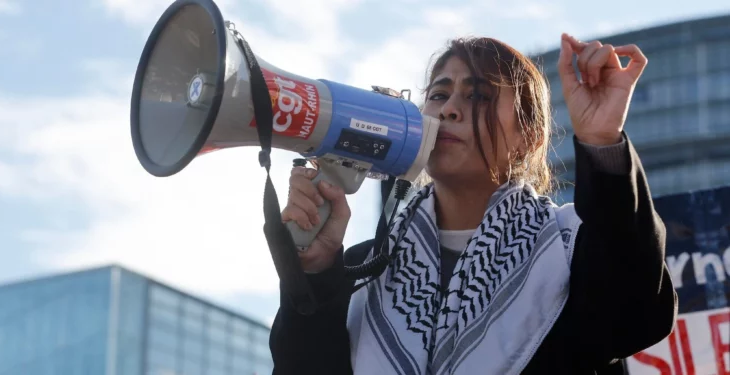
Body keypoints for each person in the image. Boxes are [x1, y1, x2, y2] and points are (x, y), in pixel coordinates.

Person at [269, 33, 678, 375]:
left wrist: (602, 142)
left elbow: (635, 312)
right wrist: (316, 274)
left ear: (530, 137)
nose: (448, 109)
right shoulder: (362, 266)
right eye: (439, 94)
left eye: (478, 95)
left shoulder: (571, 248)